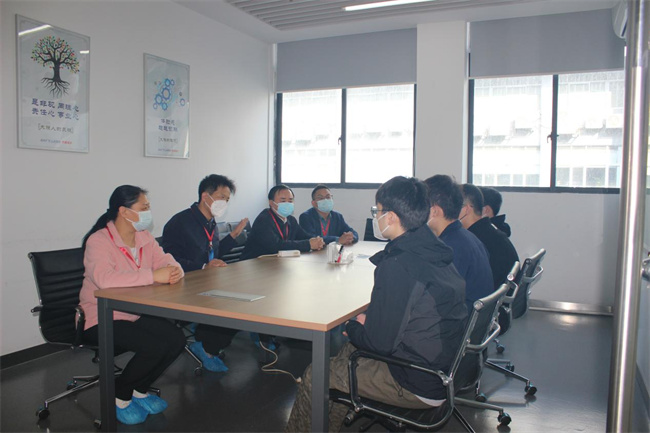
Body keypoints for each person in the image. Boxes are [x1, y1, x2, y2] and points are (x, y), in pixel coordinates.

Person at [286, 176, 467, 432]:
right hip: (437, 366)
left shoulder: (399, 264)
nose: (377, 217)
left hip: (416, 381)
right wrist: (366, 326)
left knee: (317, 374)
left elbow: (380, 343)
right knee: (347, 352)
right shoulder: (432, 249)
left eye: (378, 211)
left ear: (391, 217)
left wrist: (352, 325)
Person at [79, 185, 186, 425]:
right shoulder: (99, 241)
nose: (148, 212)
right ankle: (120, 394)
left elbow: (166, 261)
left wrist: (174, 270)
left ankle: (139, 390)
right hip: (100, 316)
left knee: (176, 339)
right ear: (124, 211)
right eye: (144, 207)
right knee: (154, 346)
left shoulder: (144, 237)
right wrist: (153, 275)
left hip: (135, 311)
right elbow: (105, 280)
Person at [161, 174, 249, 372]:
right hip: (184, 285)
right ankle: (206, 347)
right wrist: (202, 267)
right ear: (205, 196)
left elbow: (213, 255)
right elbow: (169, 260)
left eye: (227, 199)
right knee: (230, 308)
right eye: (221, 197)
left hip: (208, 283)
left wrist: (234, 235)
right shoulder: (180, 222)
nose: (224, 202)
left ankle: (208, 340)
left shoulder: (210, 223)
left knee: (243, 304)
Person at [423, 175, 493, 311]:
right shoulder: (466, 236)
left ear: (435, 211)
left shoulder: (450, 248)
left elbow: (438, 298)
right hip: (474, 314)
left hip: (460, 318)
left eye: (422, 206)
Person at [241, 184, 325, 260]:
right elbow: (276, 246)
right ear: (271, 203)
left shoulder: (291, 220)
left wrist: (317, 241)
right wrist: (308, 244)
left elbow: (303, 236)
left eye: (290, 201)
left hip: (276, 262)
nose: (287, 204)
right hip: (254, 263)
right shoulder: (264, 220)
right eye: (283, 201)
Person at [460, 184, 519, 289]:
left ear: (467, 209)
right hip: (501, 293)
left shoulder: (477, 238)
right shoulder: (489, 230)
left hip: (491, 295)